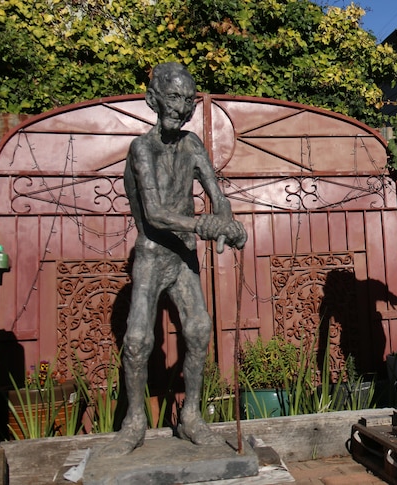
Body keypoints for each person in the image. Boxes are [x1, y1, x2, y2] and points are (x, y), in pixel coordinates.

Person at [102, 62, 247, 456]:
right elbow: (154, 214)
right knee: (137, 338)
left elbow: (216, 194)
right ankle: (134, 421)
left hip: (182, 255)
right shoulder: (141, 148)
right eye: (173, 98)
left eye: (187, 100)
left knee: (199, 329)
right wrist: (204, 226)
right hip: (151, 255)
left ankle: (192, 417)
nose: (181, 108)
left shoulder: (192, 145)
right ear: (153, 99)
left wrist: (227, 224)